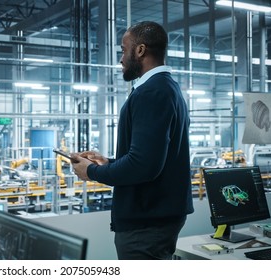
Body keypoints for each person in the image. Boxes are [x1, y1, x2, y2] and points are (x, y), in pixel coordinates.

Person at [71, 21, 194, 260]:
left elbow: (143, 165)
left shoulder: (152, 93)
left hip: (146, 224)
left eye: (123, 50)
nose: (120, 58)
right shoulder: (166, 89)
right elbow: (152, 156)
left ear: (140, 50)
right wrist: (108, 162)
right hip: (154, 219)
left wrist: (93, 172)